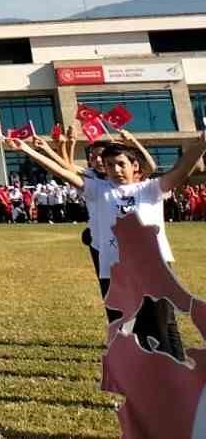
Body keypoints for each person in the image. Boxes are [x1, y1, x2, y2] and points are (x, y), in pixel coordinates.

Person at [13, 129, 206, 360]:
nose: (115, 170)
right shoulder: (98, 190)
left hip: (153, 271)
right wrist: (27, 150)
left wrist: (201, 144)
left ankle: (173, 386)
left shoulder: (151, 189)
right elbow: (62, 172)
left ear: (135, 166)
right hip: (115, 273)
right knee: (124, 332)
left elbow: (181, 169)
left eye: (120, 164)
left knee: (160, 331)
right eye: (110, 165)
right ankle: (138, 387)